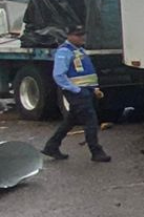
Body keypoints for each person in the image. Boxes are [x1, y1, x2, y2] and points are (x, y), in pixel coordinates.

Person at [41, 25, 110, 163]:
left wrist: (94, 88)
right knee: (90, 121)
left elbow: (86, 72)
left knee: (71, 120)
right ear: (69, 36)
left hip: (86, 90)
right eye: (78, 35)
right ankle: (96, 152)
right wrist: (76, 90)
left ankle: (51, 146)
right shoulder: (64, 52)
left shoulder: (80, 50)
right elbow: (59, 75)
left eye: (83, 34)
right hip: (77, 92)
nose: (82, 37)